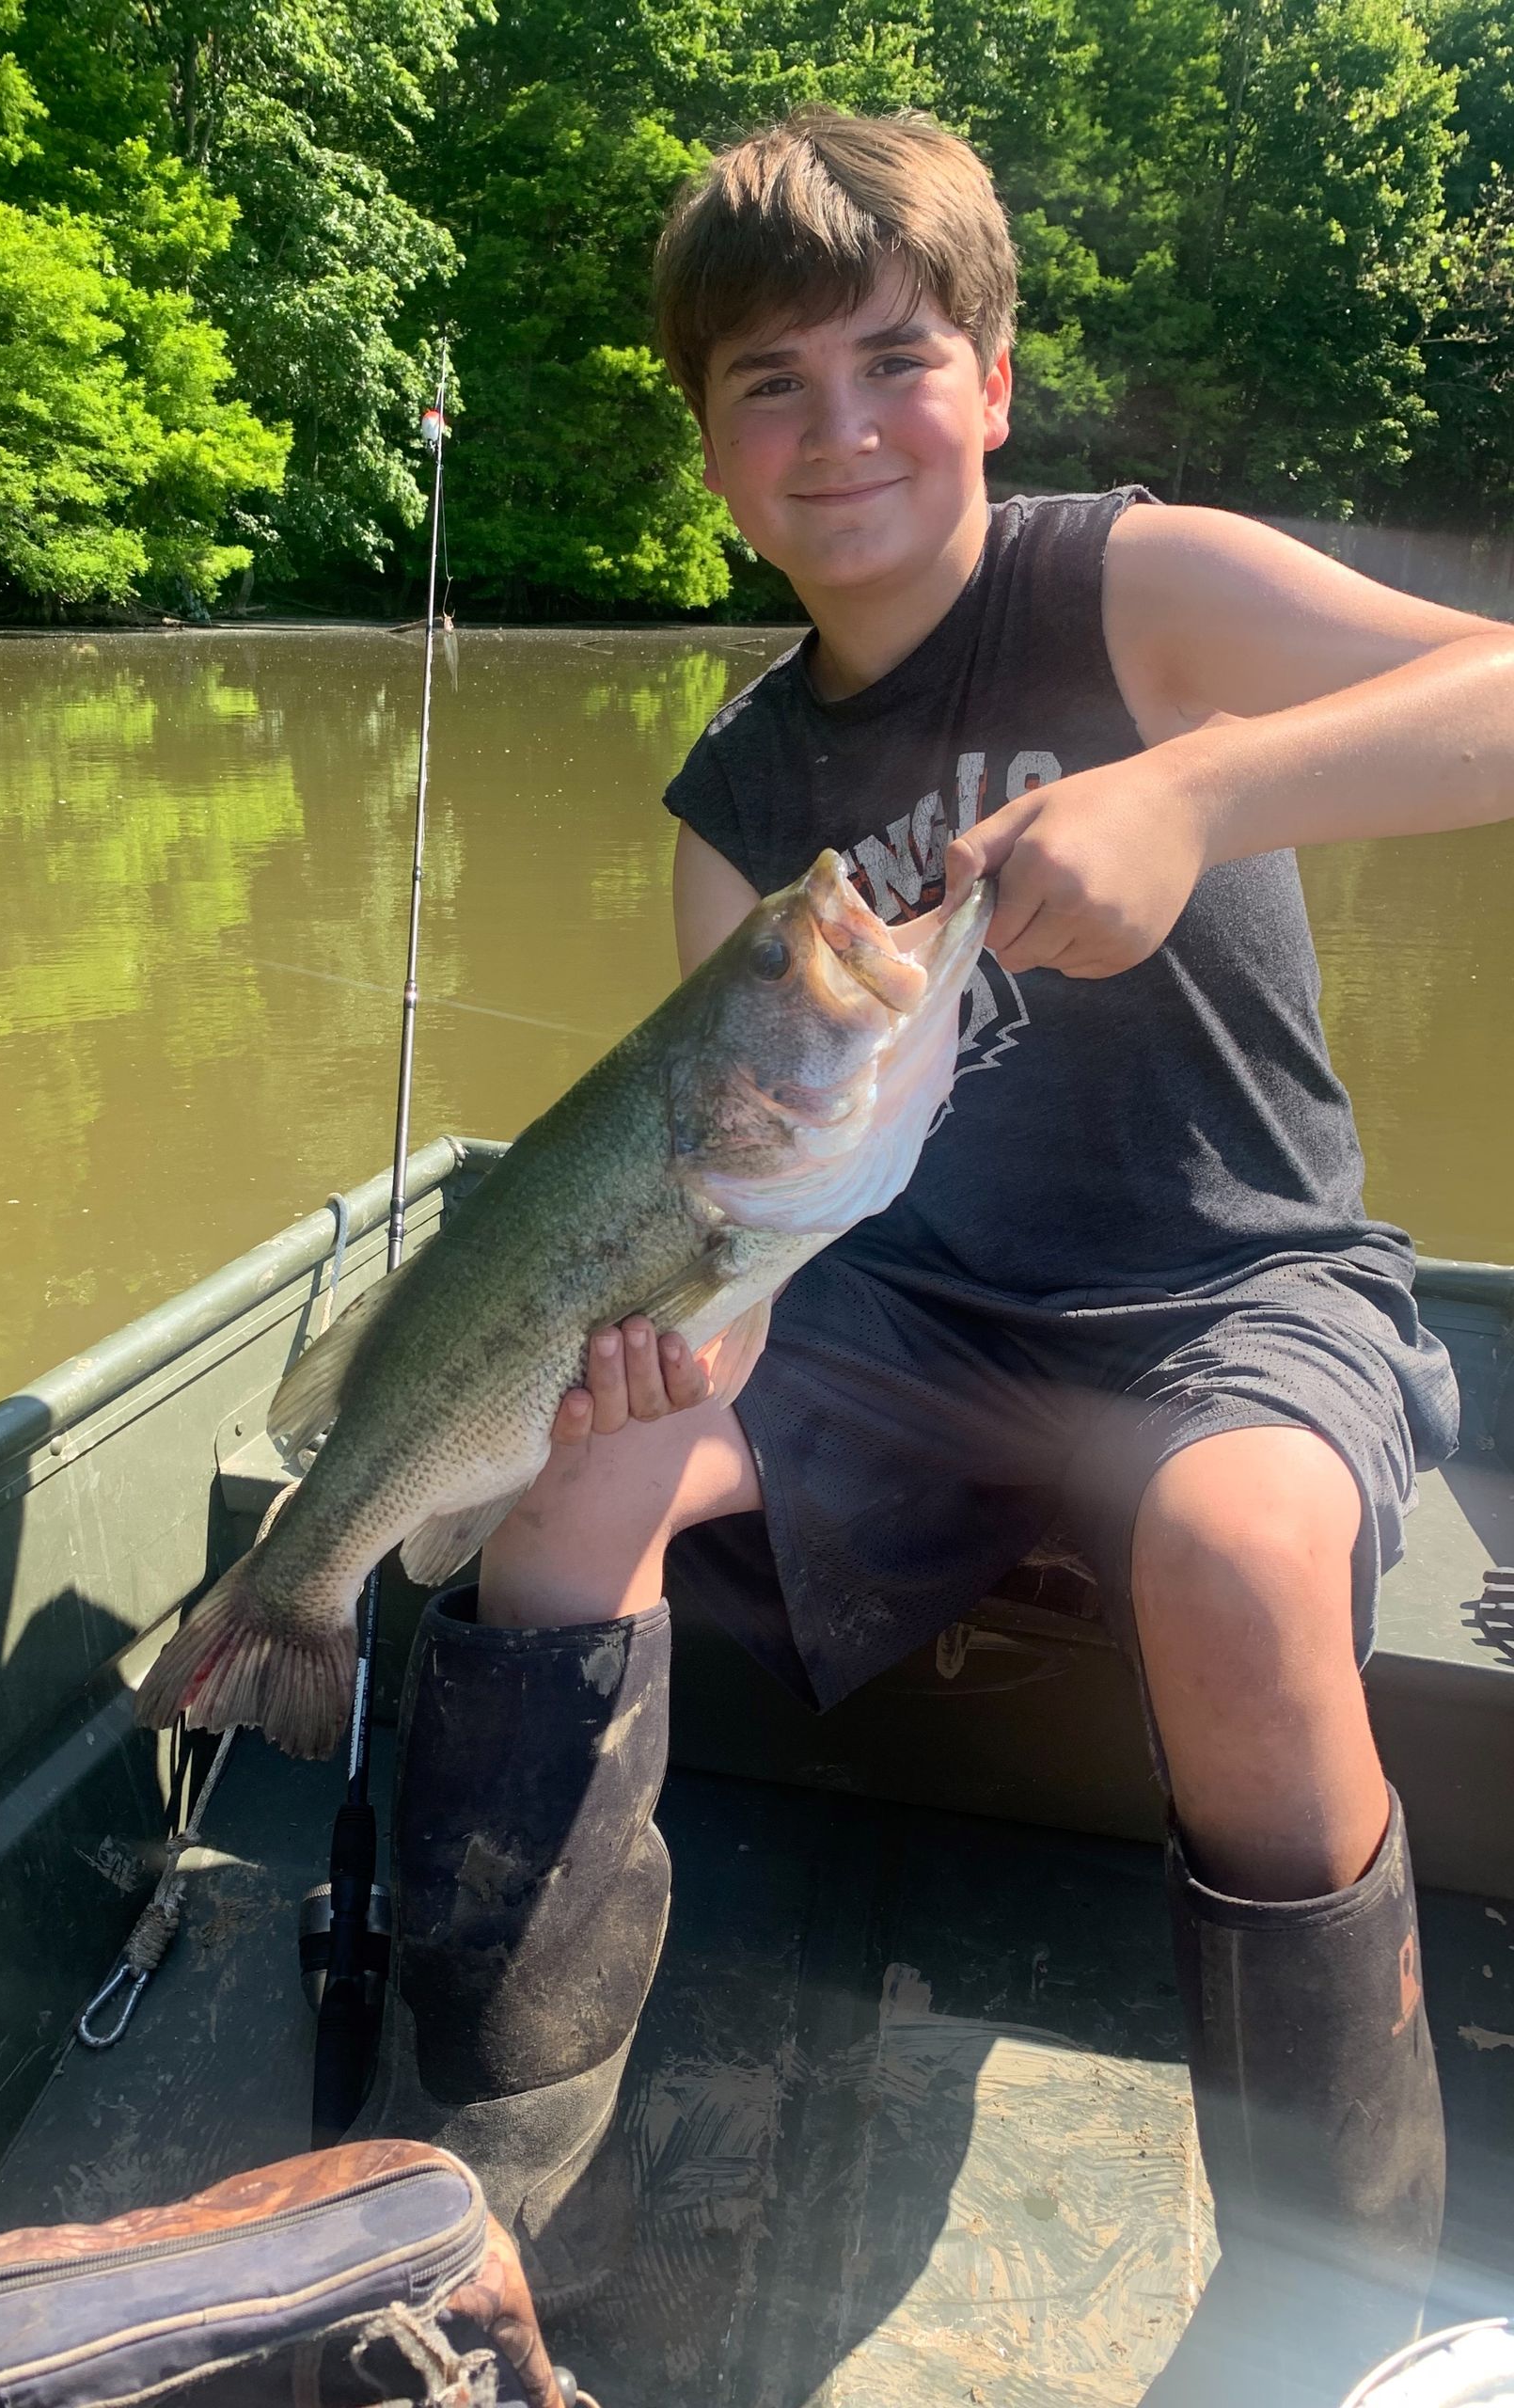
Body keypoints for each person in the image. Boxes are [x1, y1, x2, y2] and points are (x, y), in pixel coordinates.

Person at [352, 108, 1514, 2400]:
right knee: (579, 1485)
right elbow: (735, 1207)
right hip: (891, 1314)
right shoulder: (736, 794)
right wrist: (658, 1365)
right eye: (769, 384)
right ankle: (484, 2180)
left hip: (1233, 1288)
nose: (842, 424)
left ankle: (1324, 2274)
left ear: (993, 377)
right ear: (707, 448)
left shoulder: (1130, 582)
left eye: (895, 358)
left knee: (1250, 1551)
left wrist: (1201, 787)